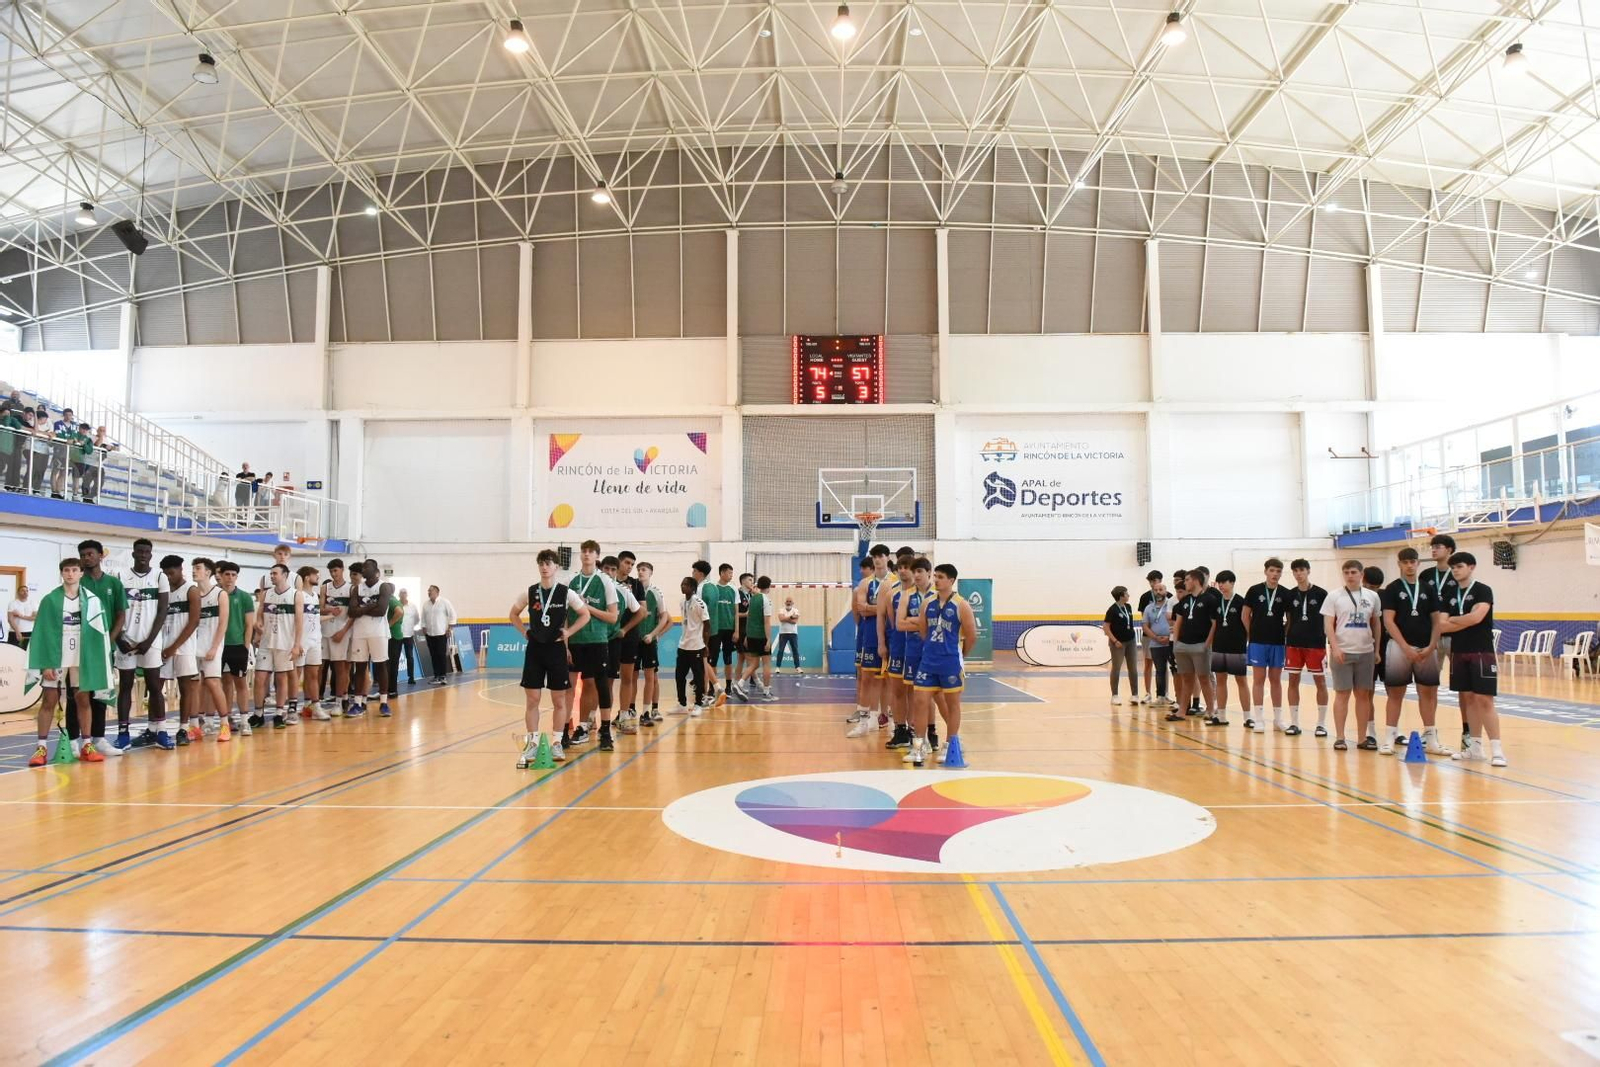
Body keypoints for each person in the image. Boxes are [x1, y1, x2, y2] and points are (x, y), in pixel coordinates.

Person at [27, 557, 112, 766]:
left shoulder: (92, 601)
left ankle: (87, 745)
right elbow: (42, 633)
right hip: (56, 656)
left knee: (83, 700)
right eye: (67, 570)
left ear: (81, 573)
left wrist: (94, 662)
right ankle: (41, 748)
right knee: (49, 701)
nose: (71, 574)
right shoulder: (50, 600)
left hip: (81, 658)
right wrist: (45, 663)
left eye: (75, 570)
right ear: (62, 573)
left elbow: (100, 634)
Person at [511, 549, 591, 766]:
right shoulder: (530, 592)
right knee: (533, 699)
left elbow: (585, 614)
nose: (544, 567)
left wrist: (568, 632)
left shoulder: (566, 592)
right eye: (541, 564)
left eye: (548, 563)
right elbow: (513, 614)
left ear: (556, 567)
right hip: (535, 650)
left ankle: (557, 741)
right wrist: (524, 632)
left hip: (556, 651)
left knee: (559, 700)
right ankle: (533, 744)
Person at [1380, 547, 1449, 755]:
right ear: (1399, 564)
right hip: (1399, 648)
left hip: (1426, 649)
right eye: (1405, 562)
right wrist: (1404, 646)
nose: (1409, 565)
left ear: (1418, 563)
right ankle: (1389, 738)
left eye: (1413, 562)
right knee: (1395, 693)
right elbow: (1388, 621)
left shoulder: (1428, 588)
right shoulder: (1392, 588)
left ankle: (1431, 740)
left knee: (1427, 693)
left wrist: (1431, 646)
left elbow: (1437, 621)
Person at [907, 563, 976, 767]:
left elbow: (971, 635)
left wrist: (960, 655)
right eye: (935, 576)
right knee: (920, 701)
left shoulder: (961, 605)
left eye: (941, 577)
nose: (936, 580)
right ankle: (918, 747)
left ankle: (949, 745)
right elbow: (922, 631)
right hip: (928, 661)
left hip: (950, 662)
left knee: (951, 704)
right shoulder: (927, 603)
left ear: (951, 580)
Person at [1440, 552, 1506, 766]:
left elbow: (1478, 617)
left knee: (1484, 700)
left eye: (1459, 566)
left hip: (1481, 651)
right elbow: (1441, 625)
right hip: (1458, 651)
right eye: (1453, 567)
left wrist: (1455, 619)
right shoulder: (1448, 593)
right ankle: (1474, 747)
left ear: (1471, 567)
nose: (1455, 570)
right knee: (1467, 699)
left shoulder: (1482, 590)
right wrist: (1464, 620)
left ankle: (1497, 750)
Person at [566, 540, 621, 750]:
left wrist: (587, 608)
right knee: (580, 685)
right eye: (584, 551)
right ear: (580, 555)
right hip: (576, 640)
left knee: (601, 684)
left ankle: (605, 730)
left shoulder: (605, 581)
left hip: (597, 640)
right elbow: (565, 615)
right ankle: (580, 727)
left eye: (591, 552)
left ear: (597, 556)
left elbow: (613, 617)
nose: (587, 555)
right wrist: (566, 642)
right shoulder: (572, 581)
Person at [73, 539, 126, 756]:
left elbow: (121, 615)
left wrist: (108, 642)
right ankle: (75, 739)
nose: (87, 558)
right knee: (77, 694)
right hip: (80, 650)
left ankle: (99, 738)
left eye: (90, 554)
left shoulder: (114, 584)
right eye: (83, 555)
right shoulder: (77, 583)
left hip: (105, 648)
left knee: (101, 694)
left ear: (100, 556)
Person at [1321, 560, 1381, 751]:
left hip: (1366, 652)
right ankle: (1340, 737)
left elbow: (1376, 624)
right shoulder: (1334, 596)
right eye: (1346, 572)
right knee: (1342, 694)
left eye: (1353, 572)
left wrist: (1377, 649)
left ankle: (1363, 738)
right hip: (1343, 652)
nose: (1349, 575)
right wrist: (1335, 647)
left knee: (1363, 695)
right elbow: (1328, 624)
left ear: (1361, 574)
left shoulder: (1372, 596)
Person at [115, 539, 168, 749]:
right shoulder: (120, 576)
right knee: (125, 686)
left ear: (151, 555)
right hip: (126, 639)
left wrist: (149, 640)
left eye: (147, 552)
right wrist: (118, 639)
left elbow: (163, 610)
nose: (143, 555)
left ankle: (160, 731)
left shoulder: (159, 577)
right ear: (133, 553)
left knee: (155, 686)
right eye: (140, 551)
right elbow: (115, 610)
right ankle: (123, 734)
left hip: (151, 641)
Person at [1425, 533, 1467, 747]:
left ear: (1450, 550)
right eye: (1432, 546)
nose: (1433, 550)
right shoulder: (1425, 575)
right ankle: (1429, 731)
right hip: (1432, 637)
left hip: (1454, 636)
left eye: (1438, 546)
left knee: (1462, 686)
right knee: (1429, 685)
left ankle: (1467, 732)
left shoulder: (1459, 575)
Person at [846, 546, 893, 737]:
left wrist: (873, 608)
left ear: (888, 557)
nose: (877, 560)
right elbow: (861, 608)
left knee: (891, 680)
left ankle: (891, 720)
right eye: (874, 557)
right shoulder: (865, 584)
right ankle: (866, 721)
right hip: (871, 634)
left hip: (892, 634)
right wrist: (881, 608)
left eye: (880, 556)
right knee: (867, 677)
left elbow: (893, 611)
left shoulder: (895, 581)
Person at [897, 557, 939, 759]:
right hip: (913, 650)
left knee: (936, 695)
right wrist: (924, 623)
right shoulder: (906, 595)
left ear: (929, 572)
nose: (916, 575)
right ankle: (918, 737)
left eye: (920, 571)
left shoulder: (938, 595)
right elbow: (899, 625)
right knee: (917, 694)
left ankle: (933, 734)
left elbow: (939, 623)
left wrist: (914, 621)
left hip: (934, 650)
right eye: (914, 572)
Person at [1242, 558, 1289, 733]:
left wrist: (1283, 634)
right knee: (1259, 679)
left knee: (1276, 680)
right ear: (1265, 571)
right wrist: (1251, 634)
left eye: (1278, 571)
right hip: (1257, 642)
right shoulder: (1254, 591)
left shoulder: (1285, 593)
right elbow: (1245, 616)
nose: (1275, 574)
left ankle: (1278, 719)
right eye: (1272, 570)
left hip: (1277, 642)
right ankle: (1259, 719)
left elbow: (1289, 619)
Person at [1284, 559, 1329, 737]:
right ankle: (1294, 723)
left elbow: (1328, 619)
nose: (1298, 574)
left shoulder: (1321, 594)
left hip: (1316, 644)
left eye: (1302, 570)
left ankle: (1321, 724)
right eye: (1295, 571)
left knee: (1321, 683)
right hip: (1294, 644)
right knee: (1293, 682)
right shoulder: (1289, 595)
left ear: (1308, 571)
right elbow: (1288, 618)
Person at [159, 553, 202, 742]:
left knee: (185, 688)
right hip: (162, 645)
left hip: (184, 648)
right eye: (165, 574)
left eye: (172, 573)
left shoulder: (191, 590)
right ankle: (157, 727)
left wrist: (174, 646)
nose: (169, 577)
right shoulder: (164, 591)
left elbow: (193, 622)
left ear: (180, 570)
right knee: (156, 687)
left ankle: (184, 728)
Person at [1170, 570, 1220, 725]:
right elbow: (1178, 622)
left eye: (1187, 580)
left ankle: (1211, 710)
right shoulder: (1184, 602)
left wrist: (1207, 643)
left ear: (1196, 581)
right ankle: (1182, 711)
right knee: (1186, 679)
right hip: (1183, 645)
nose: (1185, 583)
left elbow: (1214, 623)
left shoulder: (1210, 599)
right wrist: (1176, 643)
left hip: (1201, 645)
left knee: (1204, 678)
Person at [259, 563, 304, 728]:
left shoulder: (296, 595)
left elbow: (300, 621)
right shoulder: (266, 594)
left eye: (275, 574)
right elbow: (259, 617)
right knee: (260, 677)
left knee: (282, 677)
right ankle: (258, 713)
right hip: (266, 641)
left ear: (285, 575)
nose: (272, 576)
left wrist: (297, 644)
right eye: (270, 574)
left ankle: (280, 712)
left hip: (286, 643)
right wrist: (259, 629)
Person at [347, 559, 394, 718]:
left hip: (378, 631)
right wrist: (370, 606)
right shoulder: (356, 588)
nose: (363, 569)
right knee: (359, 667)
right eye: (363, 567)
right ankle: (358, 703)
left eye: (366, 567)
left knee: (381, 666)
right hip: (360, 632)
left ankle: (384, 702)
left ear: (375, 571)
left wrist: (362, 609)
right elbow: (351, 612)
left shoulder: (383, 586)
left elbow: (381, 611)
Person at [191, 557, 231, 740]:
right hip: (193, 647)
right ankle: (194, 726)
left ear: (207, 572)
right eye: (193, 568)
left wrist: (214, 647)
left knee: (213, 683)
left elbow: (223, 623)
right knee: (193, 685)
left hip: (211, 647)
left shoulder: (219, 594)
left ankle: (224, 725)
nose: (193, 571)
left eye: (197, 568)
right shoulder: (192, 594)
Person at [217, 560, 257, 735]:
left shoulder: (245, 597)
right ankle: (227, 719)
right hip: (219, 647)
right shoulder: (215, 595)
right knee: (224, 682)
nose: (230, 578)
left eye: (233, 575)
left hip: (238, 647)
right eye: (227, 574)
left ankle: (244, 720)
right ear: (221, 576)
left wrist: (245, 647)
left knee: (240, 683)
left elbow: (249, 625)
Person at [609, 553, 648, 731]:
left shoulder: (636, 585)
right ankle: (598, 718)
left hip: (629, 636)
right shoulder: (606, 582)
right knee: (606, 679)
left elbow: (643, 611)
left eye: (632, 564)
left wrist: (625, 629)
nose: (630, 567)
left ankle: (624, 716)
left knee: (627, 677)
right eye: (627, 563)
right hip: (608, 636)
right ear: (619, 563)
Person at [1210, 571, 1252, 728]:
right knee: (1220, 680)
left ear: (1232, 583)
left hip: (1237, 646)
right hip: (1219, 646)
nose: (1221, 585)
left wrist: (1248, 641)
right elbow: (1214, 624)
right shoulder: (1216, 602)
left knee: (1241, 680)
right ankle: (1221, 716)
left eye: (1224, 582)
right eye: (1219, 582)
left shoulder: (1241, 601)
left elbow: (1248, 622)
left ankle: (1247, 717)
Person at [634, 563, 671, 724]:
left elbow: (666, 618)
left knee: (652, 677)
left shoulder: (656, 592)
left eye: (644, 570)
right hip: (633, 640)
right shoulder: (632, 589)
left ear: (651, 573)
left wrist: (655, 634)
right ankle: (629, 709)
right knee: (631, 677)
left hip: (648, 640)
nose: (641, 572)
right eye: (639, 570)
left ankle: (649, 710)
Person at [673, 575, 712, 715]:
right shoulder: (682, 602)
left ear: (693, 588)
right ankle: (682, 704)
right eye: (682, 583)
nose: (682, 586)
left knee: (698, 677)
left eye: (686, 584)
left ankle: (698, 704)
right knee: (679, 676)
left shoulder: (699, 603)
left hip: (696, 646)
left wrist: (705, 645)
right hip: (683, 645)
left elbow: (707, 625)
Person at [734, 575, 778, 701]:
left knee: (753, 663)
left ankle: (740, 683)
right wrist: (769, 639)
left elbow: (749, 619)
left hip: (751, 635)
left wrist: (747, 636)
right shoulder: (766, 600)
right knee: (766, 664)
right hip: (761, 636)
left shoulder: (753, 599)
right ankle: (767, 692)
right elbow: (766, 622)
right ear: (768, 587)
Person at [702, 563, 738, 703]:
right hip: (715, 629)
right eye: (729, 573)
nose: (731, 575)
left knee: (728, 658)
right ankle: (713, 688)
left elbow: (736, 611)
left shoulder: (733, 589)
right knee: (713, 659)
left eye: (732, 573)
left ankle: (728, 687)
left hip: (729, 629)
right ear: (722, 573)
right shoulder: (713, 589)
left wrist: (736, 630)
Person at [322, 558, 354, 711]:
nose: (333, 574)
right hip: (325, 630)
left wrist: (343, 631)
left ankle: (339, 702)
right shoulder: (325, 588)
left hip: (342, 631)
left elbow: (353, 614)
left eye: (336, 570)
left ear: (342, 570)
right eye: (331, 571)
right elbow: (320, 608)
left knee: (340, 668)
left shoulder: (351, 589)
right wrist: (329, 610)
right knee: (321, 667)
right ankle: (315, 702)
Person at [297, 565, 326, 719]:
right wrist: (297, 642)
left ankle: (315, 706)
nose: (318, 577)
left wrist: (331, 616)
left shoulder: (315, 596)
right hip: (301, 641)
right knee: (295, 676)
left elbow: (314, 617)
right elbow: (296, 620)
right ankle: (289, 709)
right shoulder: (298, 595)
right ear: (307, 577)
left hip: (315, 640)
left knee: (313, 675)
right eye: (316, 575)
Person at [1103, 585, 1139, 705]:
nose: (1128, 595)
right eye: (1126, 593)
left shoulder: (1128, 607)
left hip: (1131, 641)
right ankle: (1115, 695)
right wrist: (1115, 641)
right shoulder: (1112, 610)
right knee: (1116, 668)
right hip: (1118, 643)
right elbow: (1106, 628)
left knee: (1133, 667)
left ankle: (1135, 694)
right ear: (1121, 596)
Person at [1141, 580, 1174, 707]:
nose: (1158, 592)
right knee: (1159, 670)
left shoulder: (1171, 606)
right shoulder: (1149, 608)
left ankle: (1176, 697)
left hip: (1170, 642)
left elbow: (1177, 622)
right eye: (1155, 590)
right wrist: (1155, 637)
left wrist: (1169, 637)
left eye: (1161, 589)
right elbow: (1145, 626)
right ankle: (1160, 696)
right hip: (1155, 644)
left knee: (1175, 670)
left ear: (1166, 591)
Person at [421, 584, 457, 685]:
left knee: (441, 655)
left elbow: (453, 615)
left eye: (430, 591)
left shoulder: (444, 602)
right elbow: (423, 617)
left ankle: (443, 676)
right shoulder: (426, 604)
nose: (429, 592)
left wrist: (449, 628)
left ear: (437, 592)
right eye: (428, 591)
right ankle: (436, 676)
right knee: (433, 656)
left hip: (441, 633)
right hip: (430, 634)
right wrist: (423, 627)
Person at [1136, 569, 1163, 700]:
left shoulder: (1167, 596)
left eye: (1154, 581)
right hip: (1148, 637)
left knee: (1162, 665)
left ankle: (1163, 694)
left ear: (1160, 580)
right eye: (1150, 581)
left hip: (1163, 636)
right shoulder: (1145, 597)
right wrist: (1151, 633)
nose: (1152, 584)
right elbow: (1143, 619)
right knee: (1148, 664)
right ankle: (1148, 693)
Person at [395, 589, 420, 685]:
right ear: (399, 594)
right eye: (401, 593)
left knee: (410, 656)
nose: (403, 595)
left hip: (409, 635)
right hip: (397, 635)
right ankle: (395, 677)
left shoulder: (413, 606)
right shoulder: (395, 605)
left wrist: (410, 627)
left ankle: (411, 677)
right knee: (395, 657)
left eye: (405, 593)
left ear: (407, 594)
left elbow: (417, 619)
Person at [774, 597, 800, 672]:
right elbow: (781, 619)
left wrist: (785, 618)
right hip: (783, 633)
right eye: (787, 601)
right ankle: (778, 667)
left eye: (790, 601)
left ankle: (797, 667)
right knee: (780, 650)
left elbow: (795, 621)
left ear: (792, 603)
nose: (788, 603)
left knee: (795, 650)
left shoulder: (796, 610)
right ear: (785, 603)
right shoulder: (781, 610)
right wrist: (791, 617)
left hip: (793, 633)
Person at [8, 582, 35, 647]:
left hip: (29, 632)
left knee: (27, 654)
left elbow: (35, 617)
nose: (25, 592)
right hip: (14, 632)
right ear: (18, 592)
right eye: (23, 591)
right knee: (13, 653)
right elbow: (10, 619)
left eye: (27, 591)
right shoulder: (12, 604)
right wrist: (17, 632)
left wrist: (20, 615)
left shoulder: (33, 603)